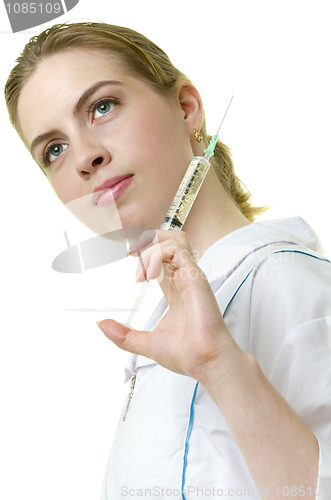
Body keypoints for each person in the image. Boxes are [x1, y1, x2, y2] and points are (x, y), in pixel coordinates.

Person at [4, 21, 331, 500]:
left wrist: (222, 368)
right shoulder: (161, 327)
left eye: (101, 107)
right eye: (54, 149)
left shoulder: (292, 285)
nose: (84, 159)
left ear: (186, 108)